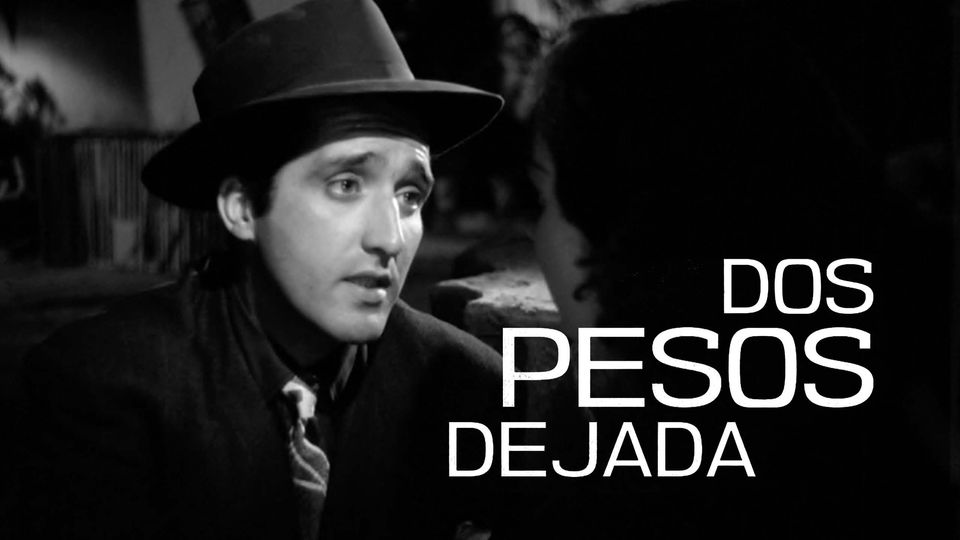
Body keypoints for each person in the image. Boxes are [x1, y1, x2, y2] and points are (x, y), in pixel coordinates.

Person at [15, 1, 517, 538]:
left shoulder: (460, 381)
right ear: (242, 209)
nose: (390, 238)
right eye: (346, 185)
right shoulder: (105, 388)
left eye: (410, 195)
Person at [528, 1, 950, 538]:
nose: (535, 234)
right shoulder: (896, 431)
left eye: (543, 195)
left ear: (614, 239)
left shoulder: (632, 496)